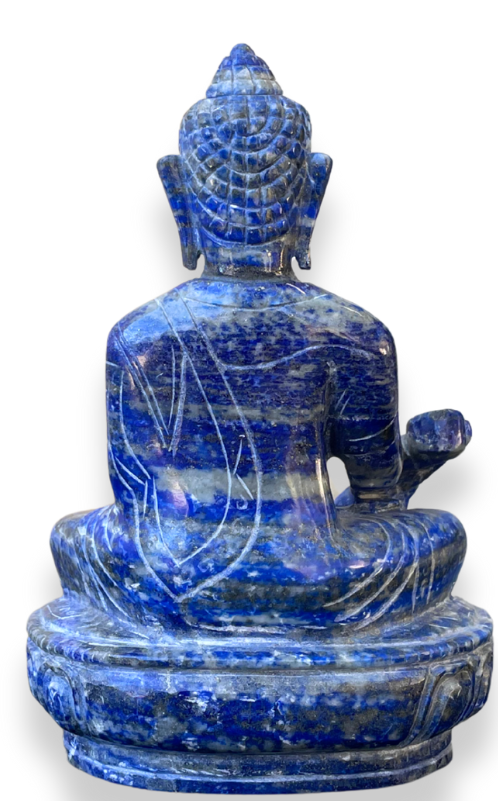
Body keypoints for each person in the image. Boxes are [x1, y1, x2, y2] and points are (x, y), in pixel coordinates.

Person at [51, 46, 470, 634]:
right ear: (312, 190)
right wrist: (421, 458)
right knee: (443, 533)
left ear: (177, 192)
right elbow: (378, 501)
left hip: (168, 588)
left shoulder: (137, 338)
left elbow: (138, 516)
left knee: (72, 535)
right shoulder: (354, 334)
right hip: (314, 581)